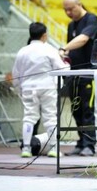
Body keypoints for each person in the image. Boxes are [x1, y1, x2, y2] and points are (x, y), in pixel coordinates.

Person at [12, 22, 70, 158]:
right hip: (47, 88)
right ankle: (53, 149)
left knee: (29, 117)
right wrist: (66, 62)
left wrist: (18, 88)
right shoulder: (49, 49)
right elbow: (62, 69)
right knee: (50, 118)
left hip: (28, 88)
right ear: (44, 35)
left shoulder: (22, 51)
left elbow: (16, 74)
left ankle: (26, 149)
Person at [60, 0, 97, 157]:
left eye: (71, 9)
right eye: (65, 10)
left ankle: (90, 145)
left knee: (87, 110)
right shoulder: (71, 25)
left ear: (79, 4)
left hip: (89, 73)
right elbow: (72, 49)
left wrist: (63, 49)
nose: (68, 12)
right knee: (75, 109)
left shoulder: (92, 19)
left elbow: (83, 39)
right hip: (74, 73)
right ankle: (81, 142)